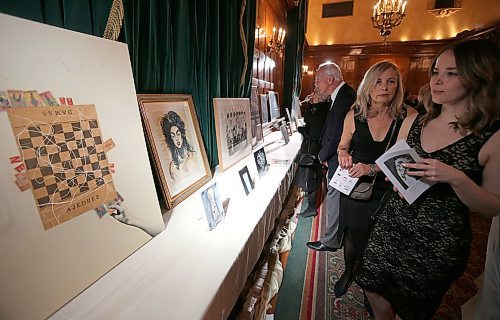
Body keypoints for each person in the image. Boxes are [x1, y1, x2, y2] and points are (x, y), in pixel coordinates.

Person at [355, 39, 500, 319]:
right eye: (435, 72)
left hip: (438, 238)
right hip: (393, 221)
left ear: (478, 76)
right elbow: (396, 164)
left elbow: (491, 207)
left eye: (452, 73)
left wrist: (456, 178)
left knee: (412, 309)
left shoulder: (491, 137)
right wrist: (399, 181)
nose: (437, 81)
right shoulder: (415, 121)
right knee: (371, 286)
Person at [335, 61, 407, 298]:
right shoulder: (353, 115)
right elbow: (342, 146)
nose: (384, 87)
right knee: (353, 234)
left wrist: (372, 168)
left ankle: (371, 285)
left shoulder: (407, 117)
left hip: (388, 188)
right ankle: (348, 272)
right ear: (367, 85)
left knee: (379, 239)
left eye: (390, 81)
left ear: (397, 86)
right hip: (357, 187)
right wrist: (344, 155)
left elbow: (402, 160)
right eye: (378, 81)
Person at [306, 61, 356, 252]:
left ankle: (330, 241)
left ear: (329, 79)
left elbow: (336, 133)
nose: (316, 84)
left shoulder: (345, 97)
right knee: (335, 197)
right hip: (336, 156)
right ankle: (333, 237)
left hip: (340, 158)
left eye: (318, 80)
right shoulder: (342, 95)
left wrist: (322, 156)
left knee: (334, 198)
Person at [294, 88, 331, 217]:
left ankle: (311, 207)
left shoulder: (321, 110)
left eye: (314, 92)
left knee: (311, 179)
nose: (311, 94)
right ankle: (311, 205)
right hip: (313, 147)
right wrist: (311, 104)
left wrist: (301, 130)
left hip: (313, 148)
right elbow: (309, 120)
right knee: (312, 177)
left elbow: (314, 133)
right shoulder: (319, 107)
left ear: (320, 96)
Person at [161, 111, 196, 182]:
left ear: (182, 134)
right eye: (173, 136)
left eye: (178, 134)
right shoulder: (172, 166)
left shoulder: (193, 155)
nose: (176, 139)